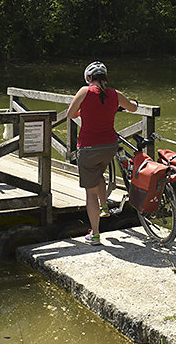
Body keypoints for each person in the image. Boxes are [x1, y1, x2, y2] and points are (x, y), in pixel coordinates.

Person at [65, 61, 138, 245]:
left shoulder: (85, 91)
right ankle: (104, 206)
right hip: (110, 146)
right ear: (105, 77)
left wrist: (85, 112)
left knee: (90, 194)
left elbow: (70, 114)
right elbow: (133, 108)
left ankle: (95, 234)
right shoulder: (115, 94)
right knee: (98, 173)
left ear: (89, 78)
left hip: (89, 147)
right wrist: (134, 102)